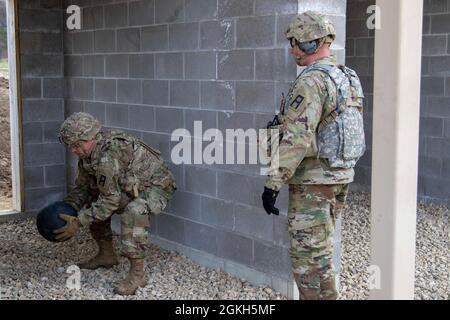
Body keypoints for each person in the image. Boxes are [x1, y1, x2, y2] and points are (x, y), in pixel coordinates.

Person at [261, 11, 365, 300]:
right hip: (339, 176)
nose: (292, 49)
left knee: (306, 260)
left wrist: (272, 183)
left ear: (309, 42)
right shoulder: (348, 77)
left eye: (295, 42)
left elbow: (297, 137)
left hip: (313, 183)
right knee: (320, 254)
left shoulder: (312, 81)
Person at [56, 112, 176, 295]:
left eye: (76, 145)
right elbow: (83, 188)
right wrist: (68, 208)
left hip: (155, 187)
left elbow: (110, 202)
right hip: (127, 187)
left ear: (91, 137)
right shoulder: (88, 155)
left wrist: (79, 222)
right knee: (93, 203)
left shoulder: (107, 157)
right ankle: (107, 255)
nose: (73, 150)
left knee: (133, 212)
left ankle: (138, 274)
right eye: (70, 146)